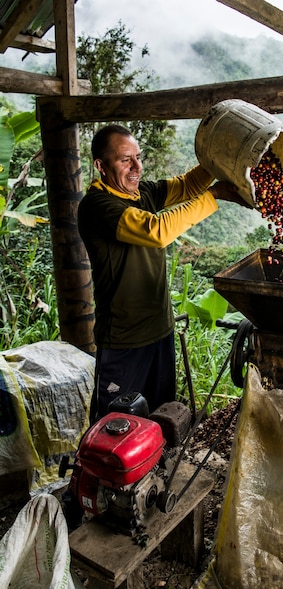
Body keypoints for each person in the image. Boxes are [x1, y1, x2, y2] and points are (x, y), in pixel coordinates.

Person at [78, 123, 248, 424]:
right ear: (100, 166)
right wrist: (216, 194)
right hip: (124, 340)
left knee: (159, 418)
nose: (136, 167)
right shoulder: (98, 206)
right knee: (114, 428)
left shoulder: (140, 193)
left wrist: (217, 157)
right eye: (125, 159)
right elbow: (156, 230)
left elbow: (185, 186)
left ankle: (157, 470)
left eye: (138, 157)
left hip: (160, 331)